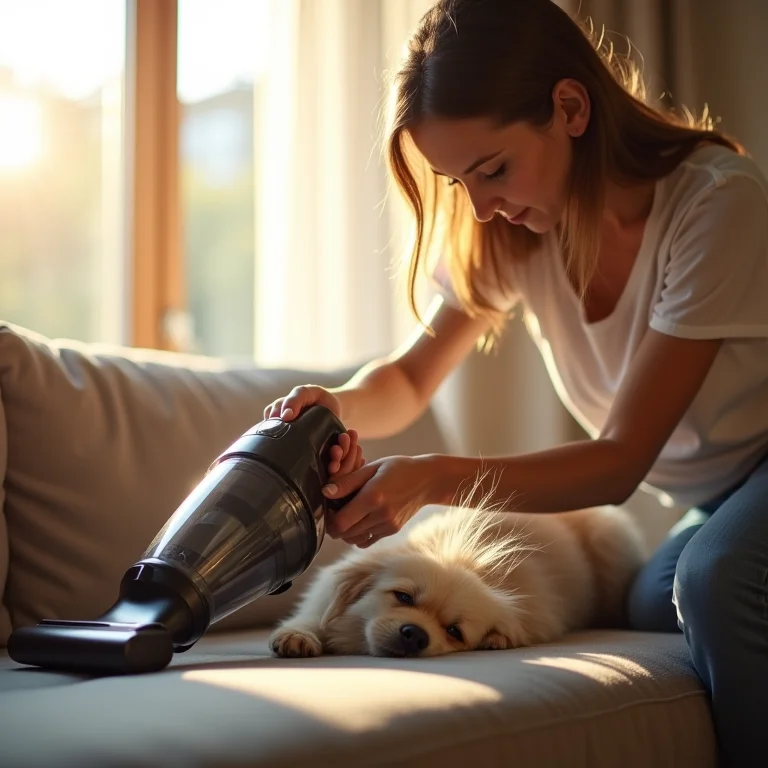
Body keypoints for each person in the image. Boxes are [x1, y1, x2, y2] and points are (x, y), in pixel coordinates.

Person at [264, 1, 768, 764]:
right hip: (716, 494)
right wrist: (333, 405)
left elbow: (621, 459)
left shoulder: (716, 204)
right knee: (647, 598)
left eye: (492, 169)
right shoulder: (514, 234)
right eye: (456, 181)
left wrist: (431, 478)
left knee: (719, 580)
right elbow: (407, 378)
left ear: (569, 108)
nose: (480, 204)